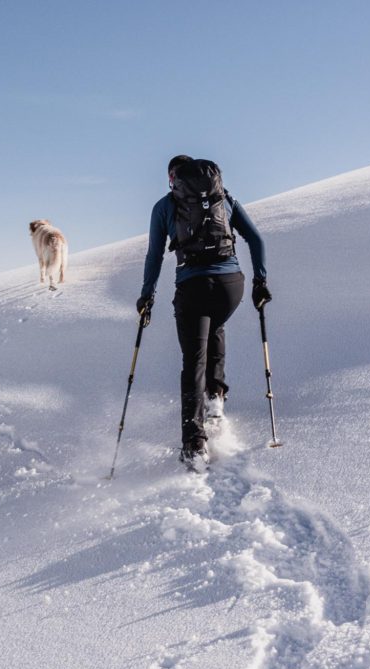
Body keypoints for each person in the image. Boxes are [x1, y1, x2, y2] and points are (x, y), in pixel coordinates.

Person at [136, 155, 272, 468]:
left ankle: (194, 444)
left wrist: (147, 296)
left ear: (172, 178)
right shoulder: (224, 199)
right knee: (216, 326)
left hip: (193, 288)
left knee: (193, 359)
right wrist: (260, 282)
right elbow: (256, 239)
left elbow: (154, 256)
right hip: (231, 287)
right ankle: (215, 400)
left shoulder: (164, 207)